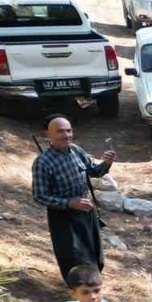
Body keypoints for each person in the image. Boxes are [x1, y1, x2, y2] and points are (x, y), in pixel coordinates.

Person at [31, 115, 115, 283]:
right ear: (48, 134)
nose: (66, 135)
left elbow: (94, 171)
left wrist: (106, 163)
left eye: (68, 130)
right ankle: (80, 291)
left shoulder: (76, 150)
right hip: (63, 218)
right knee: (74, 258)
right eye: (60, 131)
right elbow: (39, 195)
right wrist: (69, 203)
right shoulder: (42, 162)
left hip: (86, 211)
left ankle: (93, 285)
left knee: (95, 254)